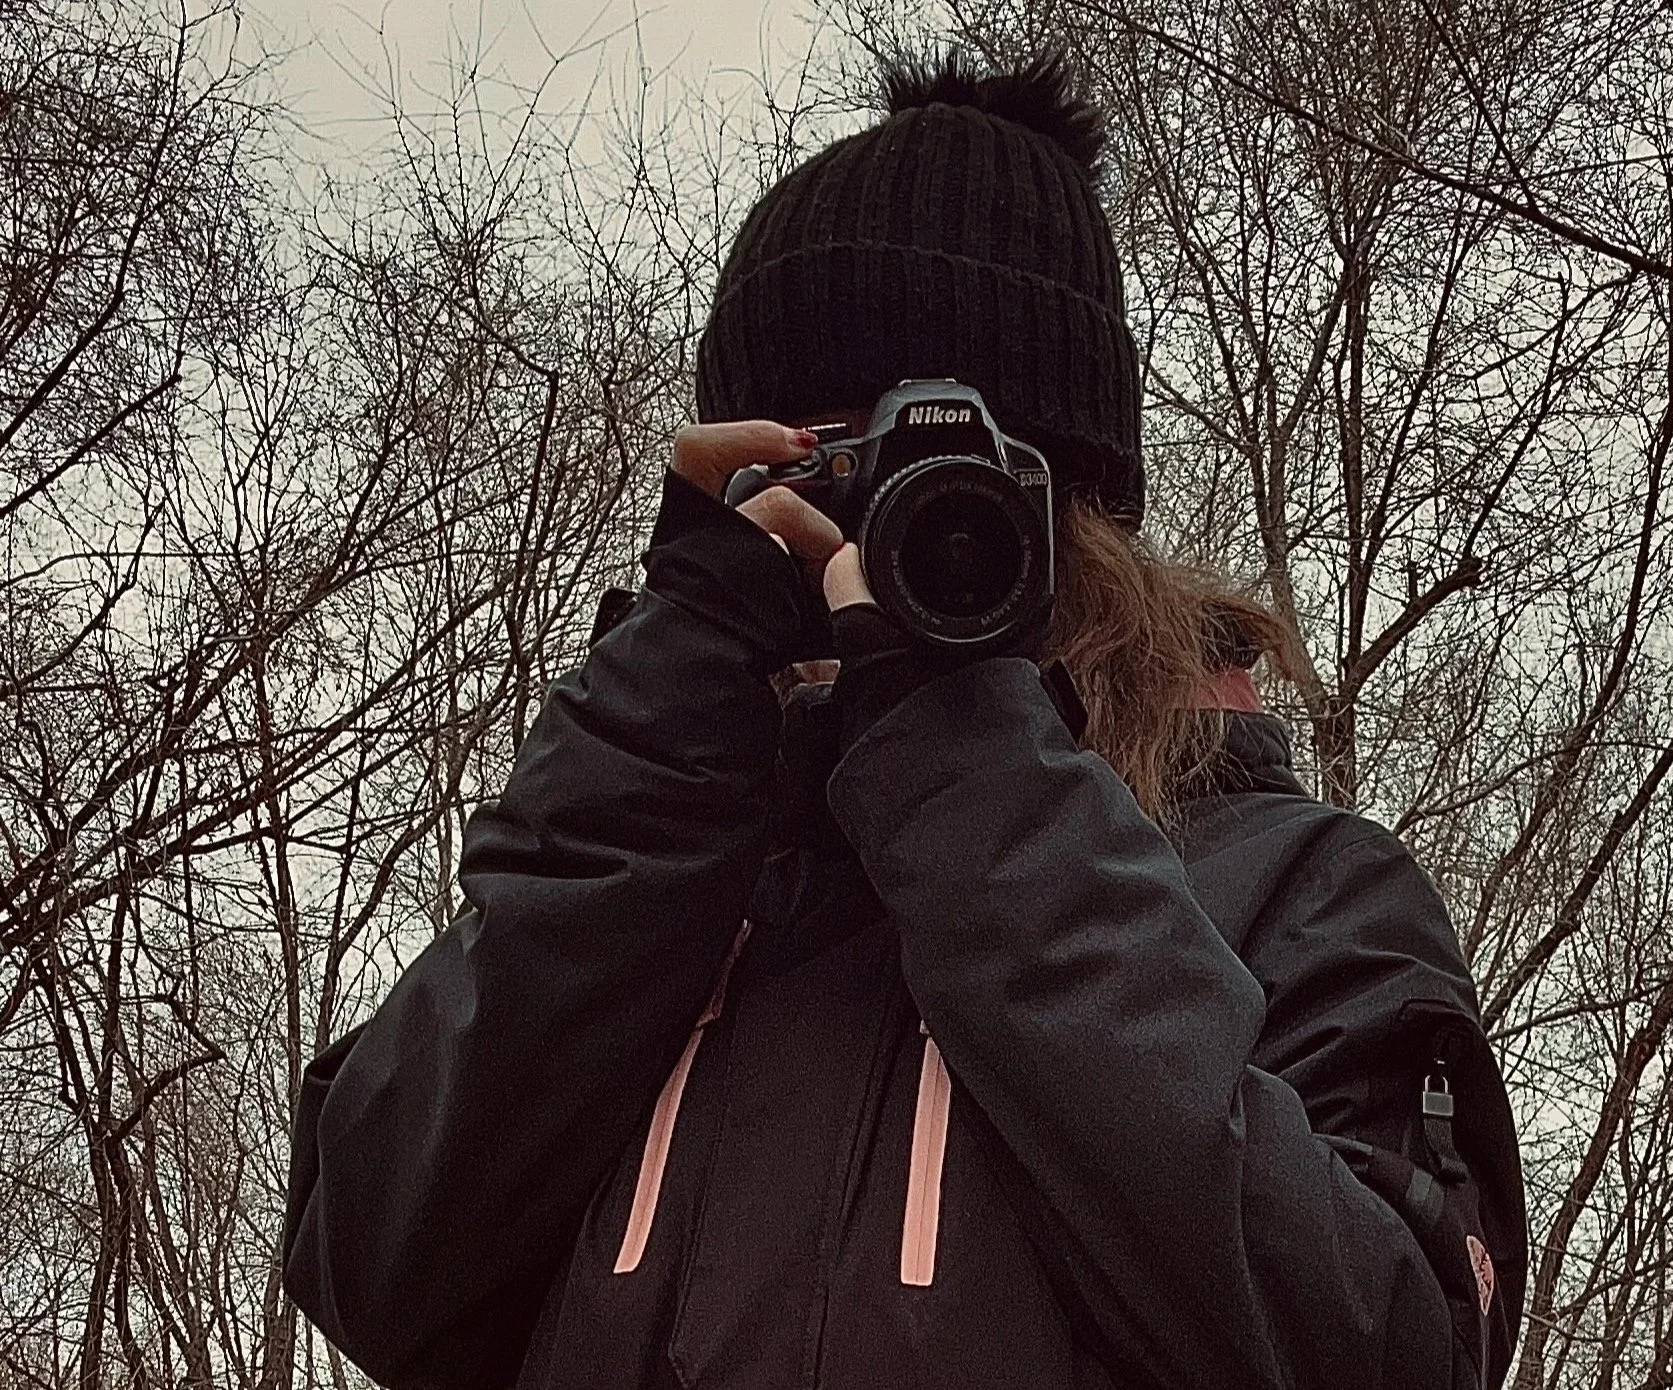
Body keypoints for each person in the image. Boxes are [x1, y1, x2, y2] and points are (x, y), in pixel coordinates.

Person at [281, 49, 1527, 1390]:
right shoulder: (661, 862)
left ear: (1071, 516)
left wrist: (970, 768)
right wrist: (669, 705)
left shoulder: (1292, 884)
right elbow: (371, 1261)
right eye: (818, 466)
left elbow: (1390, 1346)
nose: (860, 527)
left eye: (928, 473)